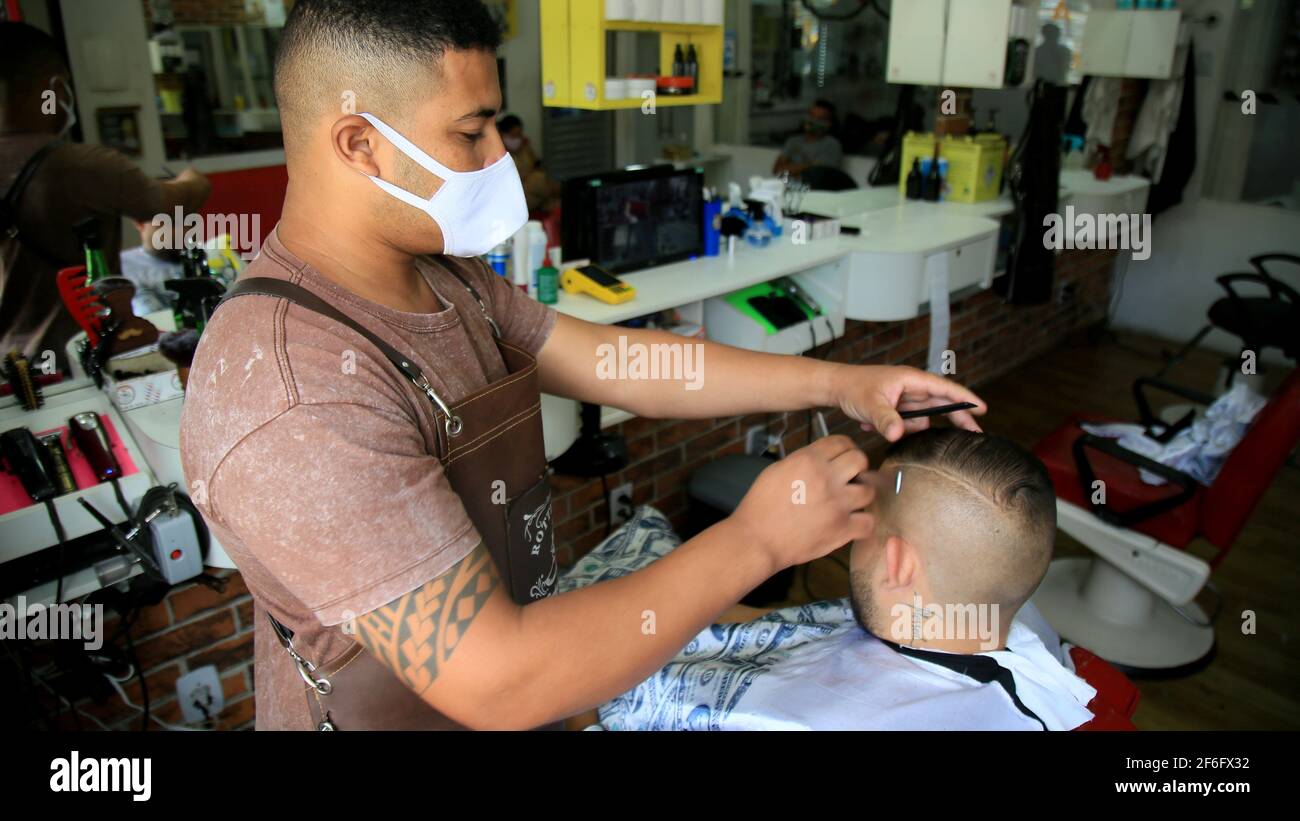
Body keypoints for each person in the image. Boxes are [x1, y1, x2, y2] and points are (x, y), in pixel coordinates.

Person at [179, 0, 986, 731]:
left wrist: (839, 382)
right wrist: (758, 541)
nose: (500, 155)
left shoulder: (441, 273)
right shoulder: (294, 395)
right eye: (472, 132)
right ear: (361, 145)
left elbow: (622, 363)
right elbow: (499, 679)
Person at [564, 429, 1097, 731]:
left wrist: (579, 689)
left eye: (862, 518)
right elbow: (778, 626)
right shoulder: (1000, 613)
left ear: (899, 564)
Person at [0, 22, 210, 369]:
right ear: (54, 90)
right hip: (75, 354)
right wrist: (195, 178)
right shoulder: (79, 166)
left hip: (11, 365)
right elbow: (172, 202)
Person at [497, 113, 560, 213]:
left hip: (533, 190)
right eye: (514, 136)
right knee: (539, 181)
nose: (517, 139)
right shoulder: (498, 155)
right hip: (515, 195)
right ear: (503, 135)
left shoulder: (525, 147)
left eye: (519, 135)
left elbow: (536, 165)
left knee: (552, 200)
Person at [773, 99, 843, 179]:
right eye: (811, 115)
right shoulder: (793, 141)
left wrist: (789, 168)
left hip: (813, 190)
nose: (813, 120)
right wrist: (810, 165)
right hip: (786, 187)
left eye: (820, 118)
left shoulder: (832, 144)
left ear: (829, 123)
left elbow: (818, 173)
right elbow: (777, 170)